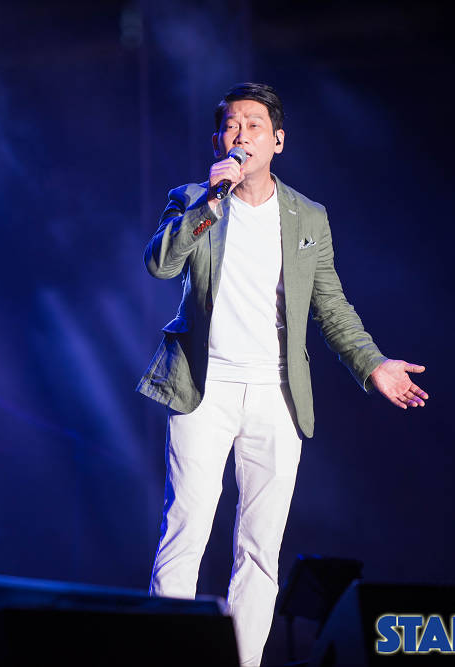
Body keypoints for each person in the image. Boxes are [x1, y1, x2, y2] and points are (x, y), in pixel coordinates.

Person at [136, 82, 428, 666]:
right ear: (217, 140)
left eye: (253, 124)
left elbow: (331, 305)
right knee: (185, 530)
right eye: (231, 125)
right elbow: (160, 265)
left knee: (260, 548)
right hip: (203, 388)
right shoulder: (192, 199)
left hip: (276, 395)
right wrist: (209, 203)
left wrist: (373, 363)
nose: (241, 134)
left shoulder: (307, 217)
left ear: (278, 141)